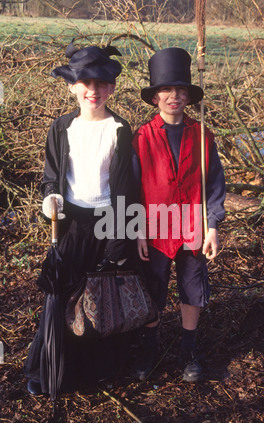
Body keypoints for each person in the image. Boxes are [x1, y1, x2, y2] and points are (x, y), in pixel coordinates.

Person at [25, 40, 135, 395]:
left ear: (112, 88)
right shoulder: (61, 128)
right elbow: (51, 176)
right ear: (72, 86)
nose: (93, 90)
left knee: (100, 296)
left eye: (101, 83)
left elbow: (125, 185)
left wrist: (122, 234)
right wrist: (50, 199)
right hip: (71, 222)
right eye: (85, 83)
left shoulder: (120, 128)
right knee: (62, 294)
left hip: (108, 220)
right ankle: (51, 370)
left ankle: (96, 371)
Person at [131, 47, 226, 382]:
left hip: (192, 226)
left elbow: (214, 182)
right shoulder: (141, 137)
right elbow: (133, 188)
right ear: (156, 97)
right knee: (153, 288)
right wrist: (137, 229)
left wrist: (212, 225)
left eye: (180, 90)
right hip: (155, 228)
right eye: (166, 90)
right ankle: (149, 347)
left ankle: (188, 350)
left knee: (192, 286)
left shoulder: (202, 135)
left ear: (188, 95)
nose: (174, 96)